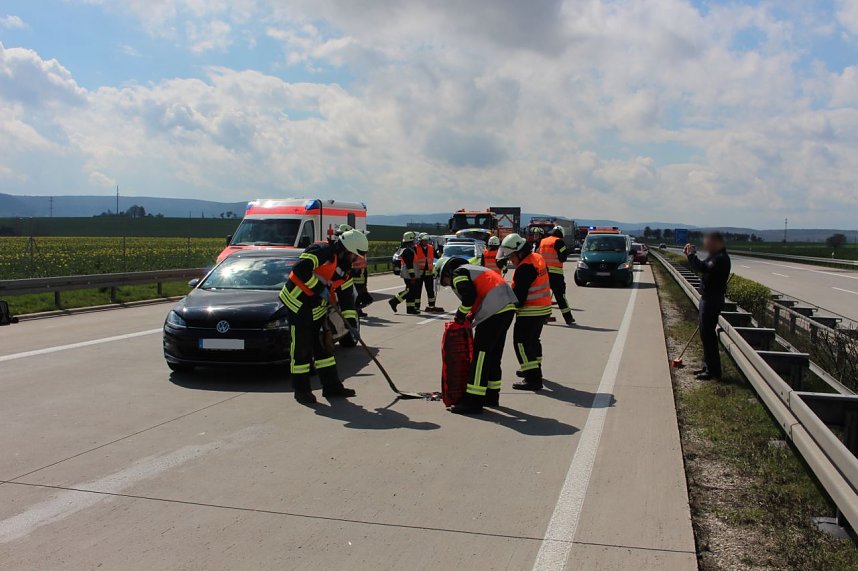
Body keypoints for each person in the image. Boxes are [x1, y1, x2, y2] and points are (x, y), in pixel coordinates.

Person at [279, 229, 369, 404]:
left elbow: (347, 296)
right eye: (354, 255)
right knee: (302, 349)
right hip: (298, 304)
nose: (356, 260)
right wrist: (319, 289)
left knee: (324, 347)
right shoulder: (321, 251)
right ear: (347, 250)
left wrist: (351, 323)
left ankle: (332, 387)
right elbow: (300, 270)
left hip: (317, 308)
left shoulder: (345, 267)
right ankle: (301, 390)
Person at [436, 256, 518, 415]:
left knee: (480, 357)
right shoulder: (476, 270)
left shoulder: (458, 273)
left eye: (445, 280)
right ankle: (491, 396)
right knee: (493, 355)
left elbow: (469, 296)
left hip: (494, 311)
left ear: (447, 272)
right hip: (506, 308)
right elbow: (481, 293)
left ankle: (473, 401)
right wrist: (470, 316)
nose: (448, 284)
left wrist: (460, 315)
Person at [498, 233, 552, 391]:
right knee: (533, 341)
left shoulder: (524, 268)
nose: (510, 261)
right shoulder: (537, 258)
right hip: (543, 308)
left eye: (511, 257)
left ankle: (533, 379)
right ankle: (534, 368)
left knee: (521, 343)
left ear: (519, 252)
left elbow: (519, 297)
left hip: (530, 310)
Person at [684, 232, 731, 380]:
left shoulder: (720, 258)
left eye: (709, 242)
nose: (706, 244)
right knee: (705, 335)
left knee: (708, 335)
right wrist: (691, 255)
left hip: (712, 300)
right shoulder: (716, 256)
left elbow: (703, 267)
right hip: (709, 298)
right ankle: (708, 366)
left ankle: (712, 371)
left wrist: (691, 256)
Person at [539, 225, 575, 326]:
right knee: (560, 297)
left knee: (544, 297)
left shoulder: (543, 241)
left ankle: (544, 317)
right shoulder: (559, 242)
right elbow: (563, 258)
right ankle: (568, 318)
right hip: (556, 274)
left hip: (543, 273)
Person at [390, 231, 420, 315]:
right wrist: (412, 276)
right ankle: (394, 301)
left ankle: (410, 308)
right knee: (409, 291)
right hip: (409, 274)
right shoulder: (407, 251)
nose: (415, 241)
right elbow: (409, 265)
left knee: (412, 291)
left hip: (409, 274)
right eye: (414, 239)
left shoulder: (408, 249)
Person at [413, 233, 441, 312]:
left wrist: (440, 251)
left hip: (429, 273)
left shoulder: (431, 248)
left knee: (430, 290)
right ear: (420, 241)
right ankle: (417, 306)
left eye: (426, 240)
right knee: (417, 290)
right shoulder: (415, 248)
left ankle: (431, 305)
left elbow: (437, 257)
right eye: (424, 241)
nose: (425, 242)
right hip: (419, 273)